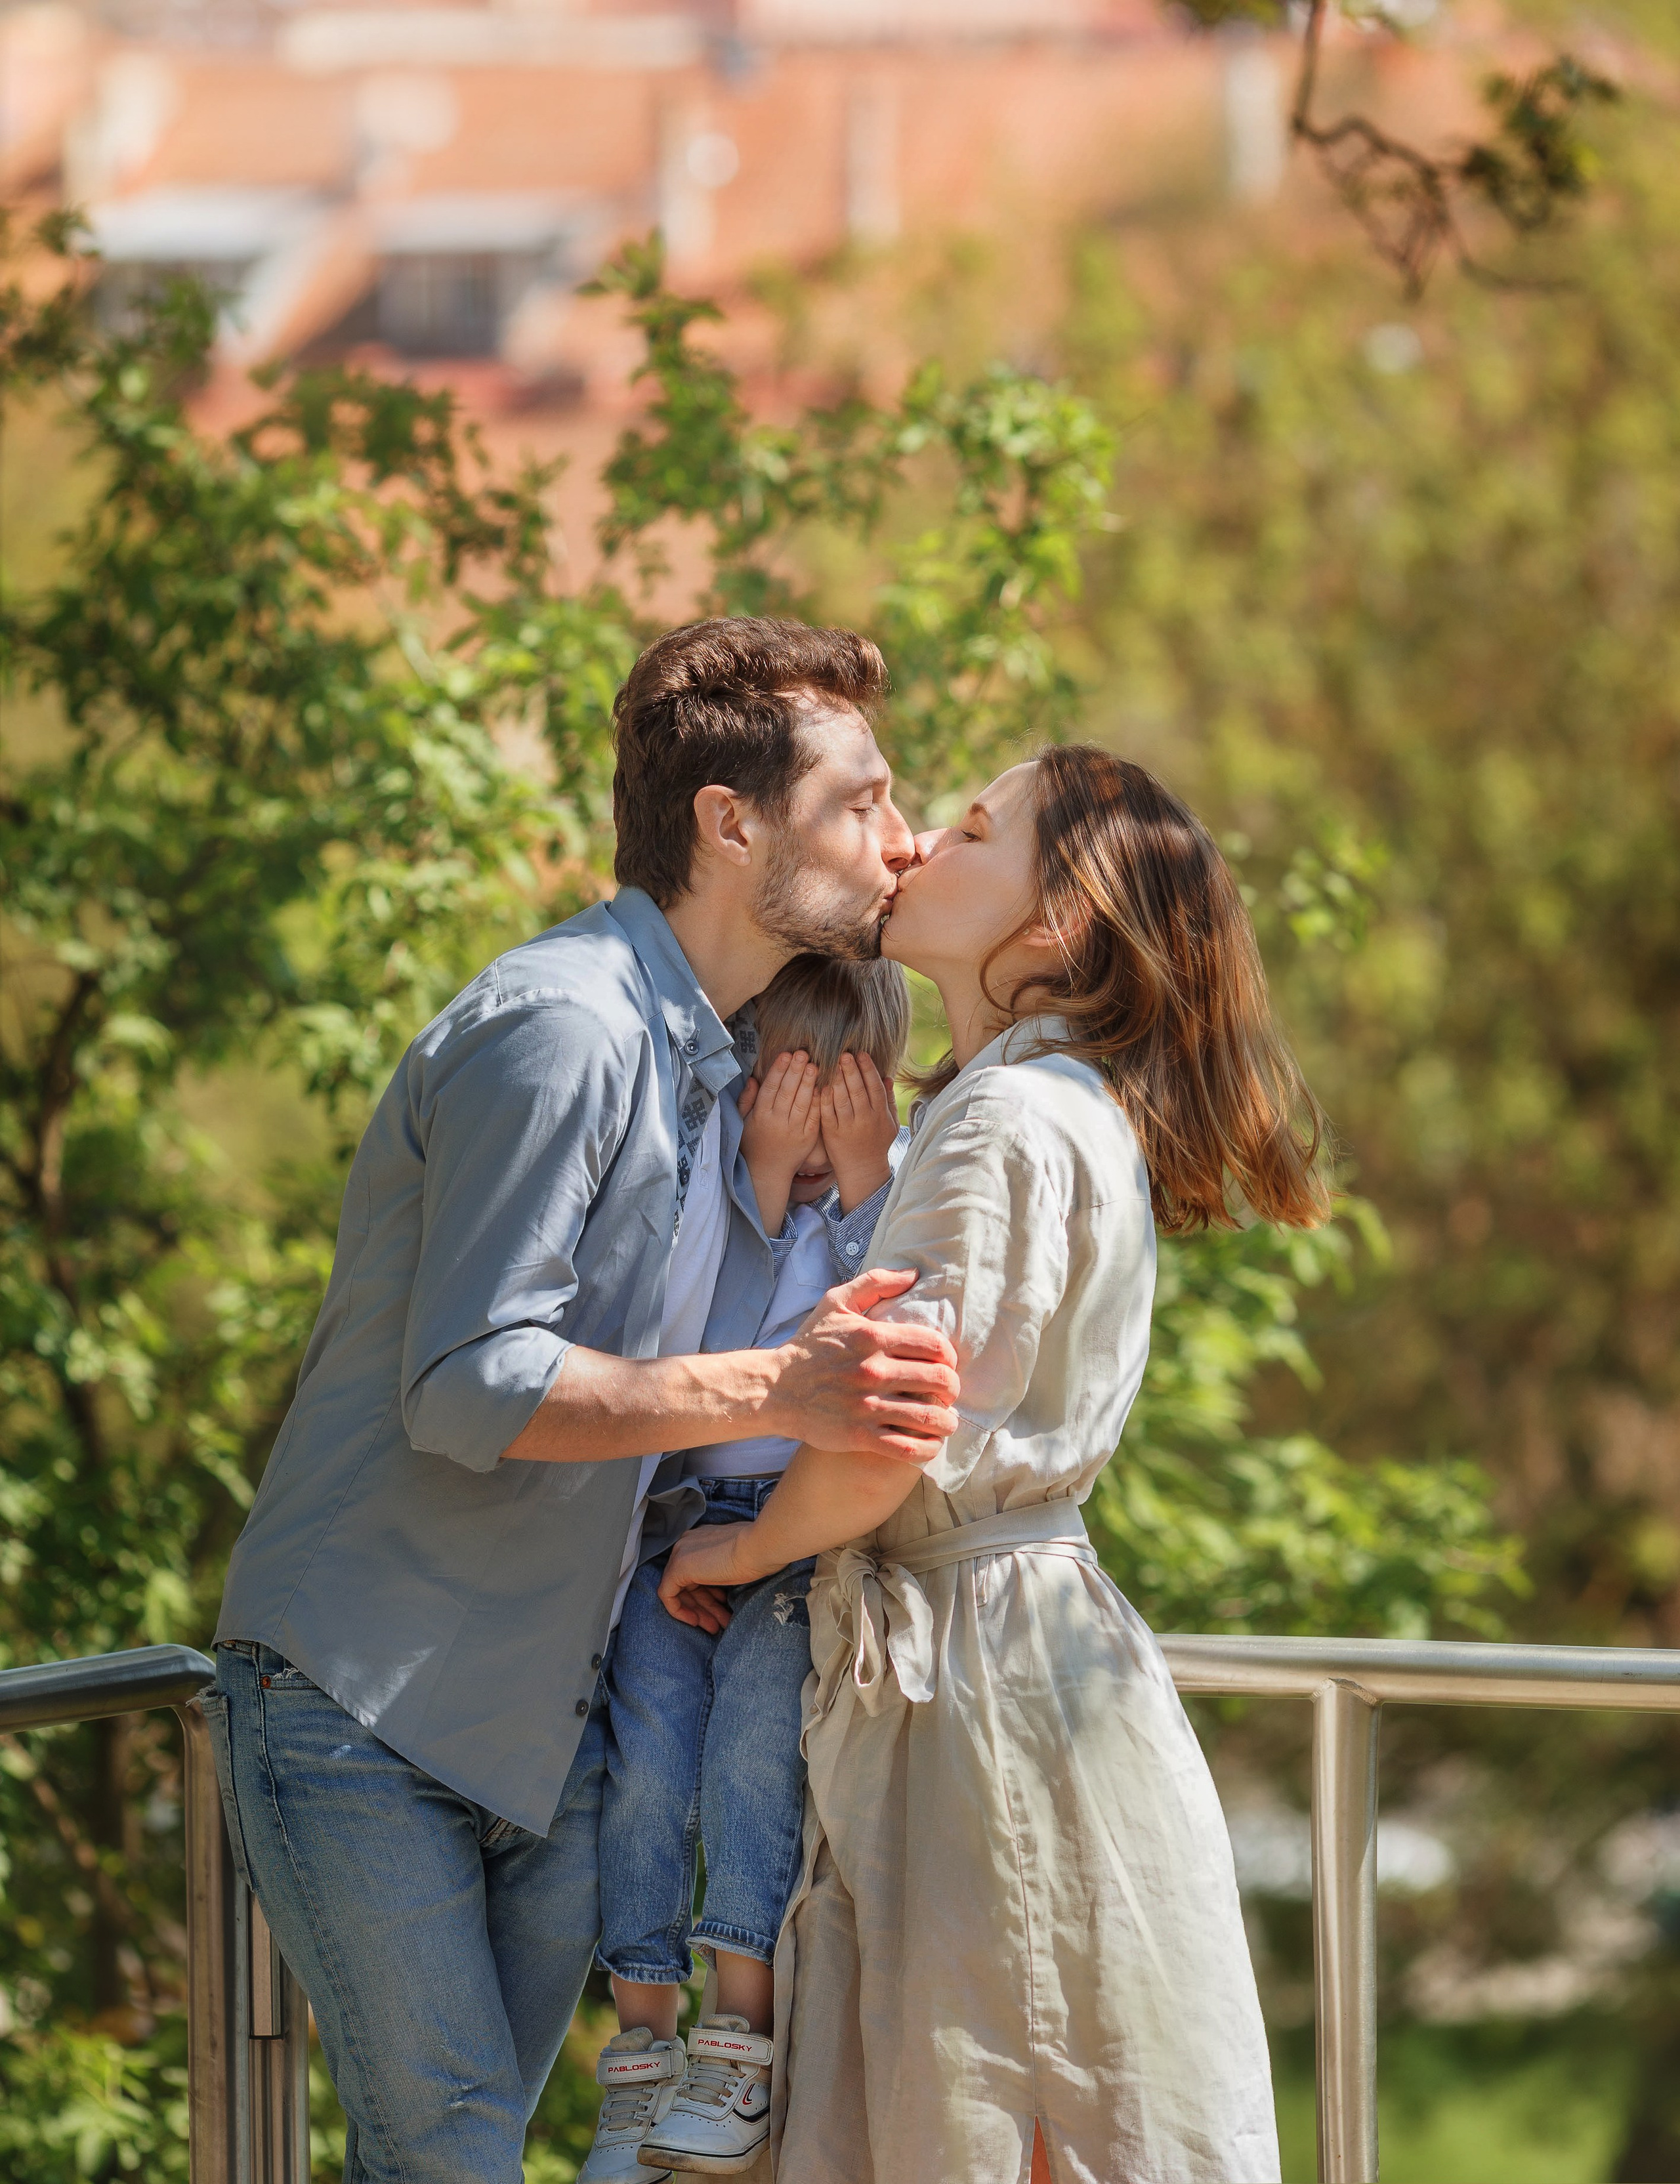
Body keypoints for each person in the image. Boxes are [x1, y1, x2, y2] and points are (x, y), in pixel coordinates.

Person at [203, 619, 960, 2184]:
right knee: (459, 2160)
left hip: (549, 1734)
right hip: (363, 1704)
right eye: (860, 801)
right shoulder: (565, 1027)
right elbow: (470, 1381)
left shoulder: (720, 1058)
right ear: (730, 821)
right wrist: (785, 1385)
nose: (900, 841)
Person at [660, 744, 1328, 2184]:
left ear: (1059, 923)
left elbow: (885, 1435)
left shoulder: (1004, 1121)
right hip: (1022, 1656)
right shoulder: (1051, 1107)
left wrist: (734, 1546)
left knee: (999, 2093)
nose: (909, 850)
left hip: (979, 1690)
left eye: (968, 829)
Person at [584, 956, 910, 2183]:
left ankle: (740, 2035)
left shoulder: (892, 1189)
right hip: (682, 1517)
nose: (813, 1119)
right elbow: (695, 1351)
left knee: (750, 1746)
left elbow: (911, 1311)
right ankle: (639, 2049)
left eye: (844, 1092)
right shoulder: (719, 1181)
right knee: (649, 1750)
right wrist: (762, 1179)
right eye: (786, 1086)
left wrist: (867, 1173)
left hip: (804, 1525)